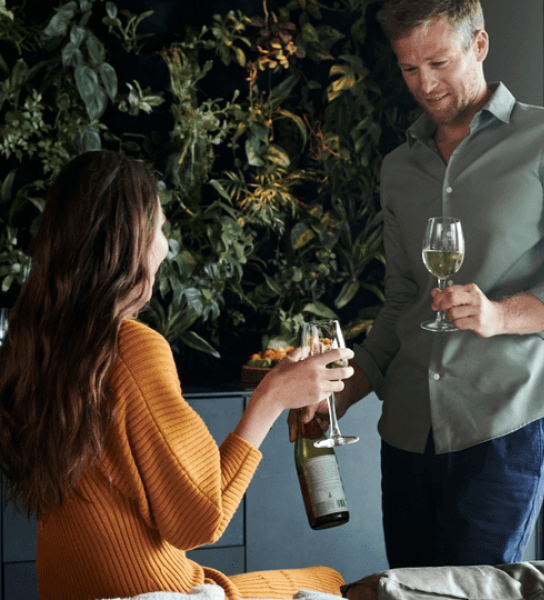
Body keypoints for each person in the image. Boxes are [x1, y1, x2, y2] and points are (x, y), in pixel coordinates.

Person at [291, 0, 544, 569]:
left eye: (438, 62)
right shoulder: (399, 168)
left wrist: (499, 316)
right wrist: (337, 400)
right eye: (410, 68)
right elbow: (400, 305)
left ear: (479, 46)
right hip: (407, 433)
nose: (425, 84)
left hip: (501, 429)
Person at [0, 150, 354, 599]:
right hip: (147, 587)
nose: (167, 246)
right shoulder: (132, 348)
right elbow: (198, 520)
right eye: (162, 228)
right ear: (131, 241)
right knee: (331, 581)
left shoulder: (30, 345)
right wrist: (270, 398)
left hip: (64, 583)